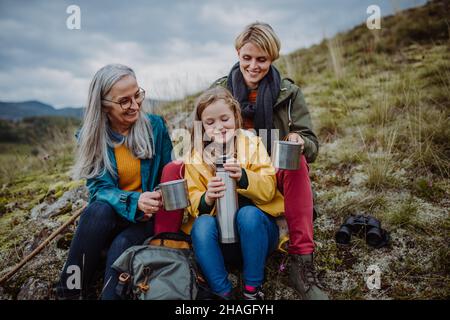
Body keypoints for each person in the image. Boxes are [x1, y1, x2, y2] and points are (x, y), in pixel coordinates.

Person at [211, 22, 328, 300]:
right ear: (238, 53)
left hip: (271, 170)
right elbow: (202, 134)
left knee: (297, 163)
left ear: (272, 58)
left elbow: (312, 144)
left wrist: (300, 140)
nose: (253, 66)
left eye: (261, 59)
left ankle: (302, 262)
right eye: (247, 58)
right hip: (233, 169)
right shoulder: (221, 91)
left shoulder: (288, 93)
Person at [56, 64, 176, 300]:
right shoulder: (91, 137)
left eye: (137, 95)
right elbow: (99, 189)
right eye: (124, 101)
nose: (135, 105)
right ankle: (69, 292)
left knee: (121, 245)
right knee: (96, 210)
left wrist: (158, 196)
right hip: (111, 215)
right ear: (104, 106)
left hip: (145, 219)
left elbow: (168, 174)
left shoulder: (155, 127)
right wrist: (134, 199)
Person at [158, 86, 284, 300]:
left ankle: (252, 289)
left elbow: (268, 189)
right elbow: (194, 204)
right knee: (202, 225)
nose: (219, 127)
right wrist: (207, 197)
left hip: (258, 237)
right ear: (202, 127)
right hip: (220, 244)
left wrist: (244, 176)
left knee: (249, 215)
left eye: (225, 119)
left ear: (236, 117)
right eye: (210, 122)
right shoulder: (195, 157)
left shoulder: (252, 144)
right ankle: (222, 291)